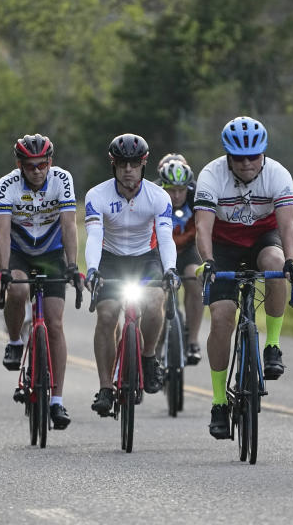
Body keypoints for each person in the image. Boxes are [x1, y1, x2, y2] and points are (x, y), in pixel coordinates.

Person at [195, 116, 293, 439]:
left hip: (261, 239)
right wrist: (209, 261)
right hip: (223, 246)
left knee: (276, 263)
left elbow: (287, 227)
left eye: (253, 156)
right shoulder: (211, 176)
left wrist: (292, 261)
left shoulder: (278, 175)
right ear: (227, 155)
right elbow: (202, 227)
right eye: (238, 158)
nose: (246, 164)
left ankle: (272, 346)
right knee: (223, 317)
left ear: (263, 153)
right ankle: (217, 403)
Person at [84, 134, 178, 417]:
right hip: (110, 259)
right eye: (122, 163)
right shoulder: (97, 195)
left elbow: (165, 237)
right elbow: (94, 235)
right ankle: (104, 388)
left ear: (143, 164)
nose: (128, 170)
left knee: (154, 300)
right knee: (108, 315)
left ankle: (149, 358)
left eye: (134, 164)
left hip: (145, 259)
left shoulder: (158, 196)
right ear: (113, 165)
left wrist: (170, 269)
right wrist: (92, 269)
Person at [0, 134, 80, 429]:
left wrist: (72, 265)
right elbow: (2, 232)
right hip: (19, 252)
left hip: (52, 251)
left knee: (55, 324)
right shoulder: (7, 185)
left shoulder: (62, 179)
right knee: (17, 290)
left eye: (41, 164)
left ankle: (56, 401)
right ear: (19, 165)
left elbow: (69, 225)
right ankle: (16, 341)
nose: (36, 171)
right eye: (29, 166)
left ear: (50, 162)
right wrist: (4, 270)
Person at [158, 156, 204, 365]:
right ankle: (155, 342)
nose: (176, 195)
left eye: (181, 190)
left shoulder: (198, 196)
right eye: (171, 190)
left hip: (187, 249)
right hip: (159, 250)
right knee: (155, 292)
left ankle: (193, 340)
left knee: (196, 280)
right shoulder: (153, 195)